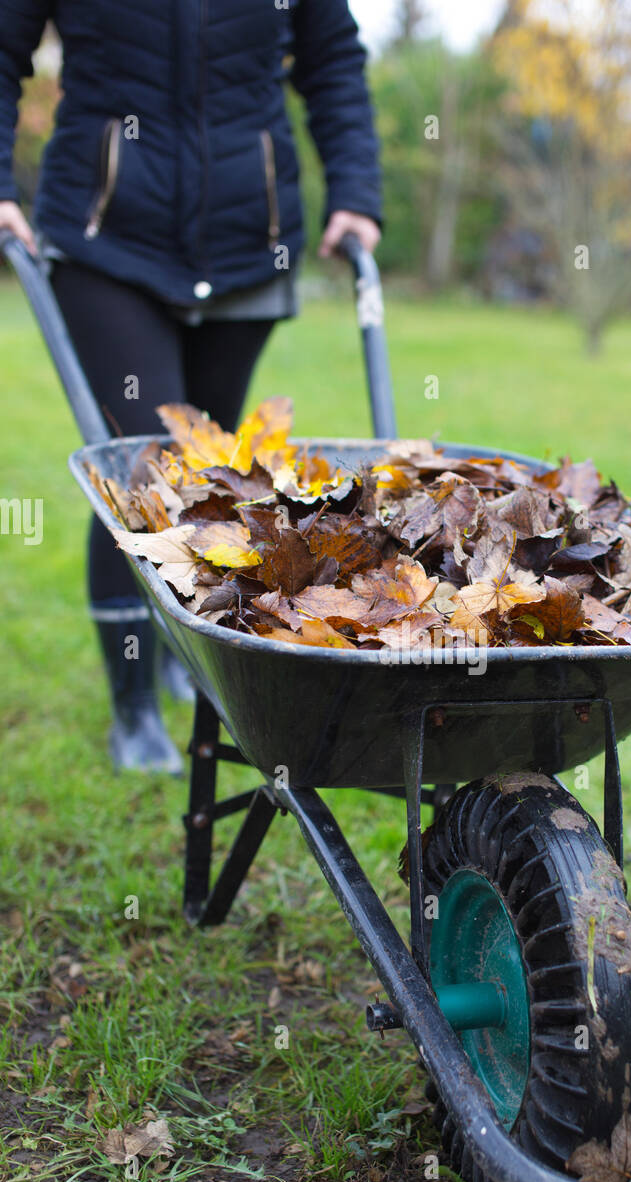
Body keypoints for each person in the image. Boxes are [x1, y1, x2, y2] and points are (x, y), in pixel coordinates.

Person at [0, 0, 382, 771]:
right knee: (142, 464)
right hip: (106, 238)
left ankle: (188, 650)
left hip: (250, 244)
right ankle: (134, 704)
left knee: (209, 473)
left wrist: (356, 194)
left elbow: (332, 59)